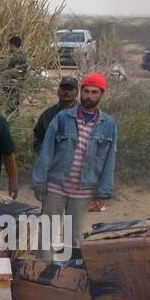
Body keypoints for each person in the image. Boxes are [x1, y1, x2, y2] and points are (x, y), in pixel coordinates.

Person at [32, 73, 117, 260]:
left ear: (101, 95)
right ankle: (42, 274)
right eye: (86, 91)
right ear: (80, 92)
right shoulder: (62, 118)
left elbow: (109, 159)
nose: (89, 96)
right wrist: (39, 183)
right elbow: (46, 151)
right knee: (47, 233)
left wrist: (103, 192)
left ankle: (69, 276)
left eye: (94, 92)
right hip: (56, 186)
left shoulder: (108, 125)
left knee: (74, 237)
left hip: (83, 190)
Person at [33, 76, 79, 151]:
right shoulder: (47, 115)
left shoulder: (83, 114)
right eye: (64, 89)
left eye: (70, 89)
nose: (66, 92)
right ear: (58, 91)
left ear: (77, 92)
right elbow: (38, 140)